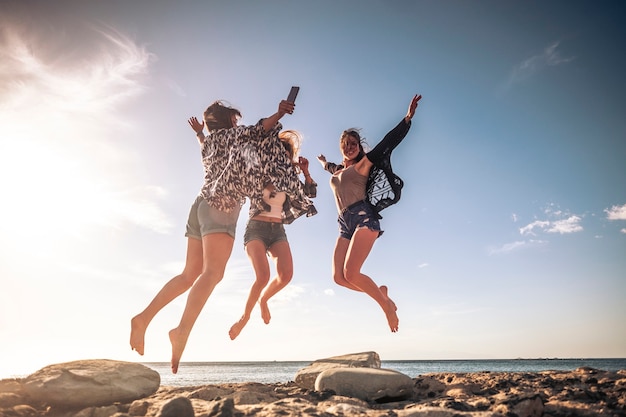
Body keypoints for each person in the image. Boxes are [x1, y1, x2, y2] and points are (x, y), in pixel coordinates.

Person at [130, 98, 314, 373]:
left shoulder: (209, 144)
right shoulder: (235, 134)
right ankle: (181, 331)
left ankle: (143, 318)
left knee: (189, 274)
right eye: (235, 120)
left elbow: (205, 143)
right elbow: (260, 129)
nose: (238, 124)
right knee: (213, 273)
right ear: (230, 121)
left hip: (200, 206)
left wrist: (199, 133)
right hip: (222, 207)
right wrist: (279, 112)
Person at [316, 94, 422, 333]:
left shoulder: (364, 165)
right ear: (341, 147)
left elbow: (388, 142)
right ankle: (382, 296)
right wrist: (323, 163)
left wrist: (406, 119)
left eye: (354, 143)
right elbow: (331, 168)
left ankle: (385, 306)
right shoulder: (339, 169)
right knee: (339, 278)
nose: (350, 146)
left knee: (352, 273)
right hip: (344, 223)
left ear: (359, 146)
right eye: (346, 143)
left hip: (364, 217)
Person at [229, 130, 317, 340]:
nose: (283, 157)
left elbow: (311, 194)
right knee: (263, 276)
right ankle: (244, 317)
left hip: (277, 231)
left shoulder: (291, 179)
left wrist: (305, 172)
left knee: (286, 275)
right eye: (279, 153)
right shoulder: (261, 172)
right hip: (256, 229)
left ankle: (264, 300)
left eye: (287, 154)